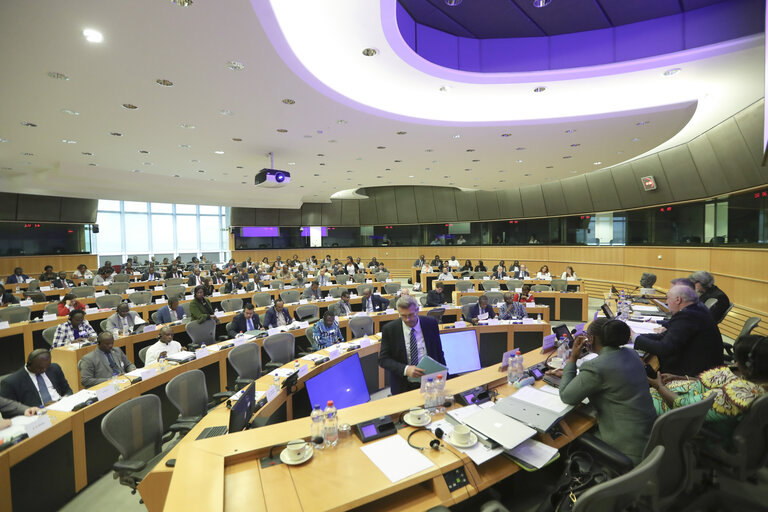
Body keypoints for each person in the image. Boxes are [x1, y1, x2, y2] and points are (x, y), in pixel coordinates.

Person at [557, 319, 657, 465]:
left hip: (624, 452)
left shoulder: (596, 367)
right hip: (648, 441)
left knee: (568, 442)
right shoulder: (632, 354)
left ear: (590, 339)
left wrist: (572, 358)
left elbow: (566, 396)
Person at [648, 334, 768, 441]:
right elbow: (717, 385)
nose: (735, 364)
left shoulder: (740, 396)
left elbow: (683, 406)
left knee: (637, 401)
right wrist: (682, 378)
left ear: (750, 366)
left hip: (683, 417)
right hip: (685, 395)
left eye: (738, 361)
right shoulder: (754, 378)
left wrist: (659, 386)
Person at [633, 285, 723, 376]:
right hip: (701, 365)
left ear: (678, 300)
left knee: (637, 366)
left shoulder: (687, 316)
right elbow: (664, 336)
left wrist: (635, 338)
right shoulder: (695, 309)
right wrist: (635, 336)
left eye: (667, 299)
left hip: (694, 374)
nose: (667, 302)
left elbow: (664, 348)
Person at [378, 295, 446, 395]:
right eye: (403, 316)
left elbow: (438, 352)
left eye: (411, 315)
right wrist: (406, 369)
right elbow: (383, 360)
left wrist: (445, 376)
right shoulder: (389, 329)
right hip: (403, 383)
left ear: (417, 310)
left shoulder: (431, 323)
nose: (407, 319)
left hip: (430, 379)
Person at [0, 349, 72, 407]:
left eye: (46, 366)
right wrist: (42, 409)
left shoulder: (54, 368)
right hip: (37, 417)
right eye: (40, 368)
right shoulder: (12, 382)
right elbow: (8, 411)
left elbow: (67, 390)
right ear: (29, 364)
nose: (44, 370)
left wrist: (63, 401)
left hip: (62, 407)